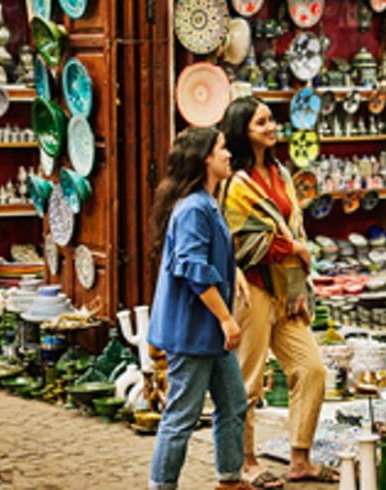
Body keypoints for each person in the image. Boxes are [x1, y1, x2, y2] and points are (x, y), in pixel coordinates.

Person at [220, 96, 339, 487]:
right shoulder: (236, 183)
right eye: (261, 123)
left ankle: (300, 459)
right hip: (250, 288)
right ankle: (246, 462)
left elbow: (292, 230)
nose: (272, 127)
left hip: (285, 291)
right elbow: (241, 242)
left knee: (311, 369)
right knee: (248, 381)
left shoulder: (281, 174)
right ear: (243, 131)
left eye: (271, 120)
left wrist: (296, 279)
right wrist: (294, 250)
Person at [147, 126, 252, 490]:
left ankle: (229, 480)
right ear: (205, 157)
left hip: (207, 331)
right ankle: (162, 485)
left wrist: (232, 270)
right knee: (181, 416)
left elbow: (205, 256)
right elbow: (191, 267)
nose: (228, 155)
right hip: (193, 331)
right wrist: (226, 319)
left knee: (234, 404)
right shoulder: (194, 207)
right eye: (222, 149)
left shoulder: (205, 201)